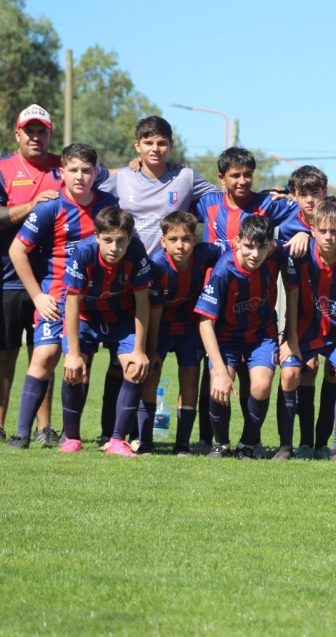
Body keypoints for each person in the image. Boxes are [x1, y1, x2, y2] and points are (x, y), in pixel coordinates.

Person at [0, 105, 110, 443]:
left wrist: (140, 164)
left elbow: (100, 172)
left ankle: (44, 428)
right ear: (18, 134)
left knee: (47, 351)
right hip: (9, 278)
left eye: (42, 131)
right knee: (6, 352)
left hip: (56, 282)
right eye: (29, 130)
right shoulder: (0, 169)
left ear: (50, 134)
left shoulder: (63, 165)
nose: (36, 136)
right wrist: (33, 205)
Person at [95, 116, 217, 449]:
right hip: (128, 281)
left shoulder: (186, 177)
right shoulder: (123, 178)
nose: (155, 148)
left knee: (150, 361)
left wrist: (277, 197)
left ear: (171, 145)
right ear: (137, 146)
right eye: (148, 142)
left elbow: (227, 197)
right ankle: (112, 431)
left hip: (168, 280)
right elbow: (87, 190)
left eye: (161, 142)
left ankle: (148, 437)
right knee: (122, 362)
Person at [7, 143, 119, 448]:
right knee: (43, 356)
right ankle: (21, 434)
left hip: (93, 301)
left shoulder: (109, 207)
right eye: (73, 170)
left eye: (86, 170)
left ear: (96, 174)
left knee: (80, 366)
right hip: (55, 298)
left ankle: (73, 436)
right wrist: (37, 297)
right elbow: (17, 251)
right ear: (62, 173)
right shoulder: (50, 206)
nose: (80, 176)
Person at [58, 208, 153, 456]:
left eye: (121, 240)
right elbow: (72, 302)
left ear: (130, 239)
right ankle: (71, 438)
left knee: (134, 367)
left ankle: (117, 441)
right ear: (97, 236)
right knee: (75, 369)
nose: (114, 247)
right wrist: (73, 354)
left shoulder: (136, 251)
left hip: (120, 318)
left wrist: (140, 350)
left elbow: (143, 301)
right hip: (85, 318)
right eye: (108, 240)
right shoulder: (83, 251)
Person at [278, 200, 336, 462]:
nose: (329, 236)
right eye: (323, 230)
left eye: (334, 231)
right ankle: (290, 445)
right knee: (291, 372)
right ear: (312, 229)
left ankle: (334, 448)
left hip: (335, 333)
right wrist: (290, 341)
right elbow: (291, 299)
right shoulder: (299, 254)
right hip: (304, 328)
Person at [195, 215, 282, 459]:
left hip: (261, 335)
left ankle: (247, 445)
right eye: (249, 246)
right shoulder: (224, 270)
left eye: (262, 247)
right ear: (237, 242)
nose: (255, 253)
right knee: (219, 384)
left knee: (262, 384)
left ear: (271, 246)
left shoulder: (276, 255)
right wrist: (220, 372)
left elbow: (307, 242)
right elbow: (205, 323)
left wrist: (302, 235)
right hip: (226, 337)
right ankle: (221, 445)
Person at [142, 212, 223, 456]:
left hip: (190, 328)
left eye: (186, 239)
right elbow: (153, 312)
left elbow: (229, 253)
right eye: (173, 239)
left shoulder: (207, 253)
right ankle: (145, 441)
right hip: (161, 328)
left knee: (190, 377)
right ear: (163, 241)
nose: (180, 245)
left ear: (195, 240)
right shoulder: (157, 266)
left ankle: (182, 444)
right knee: (152, 376)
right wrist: (153, 349)